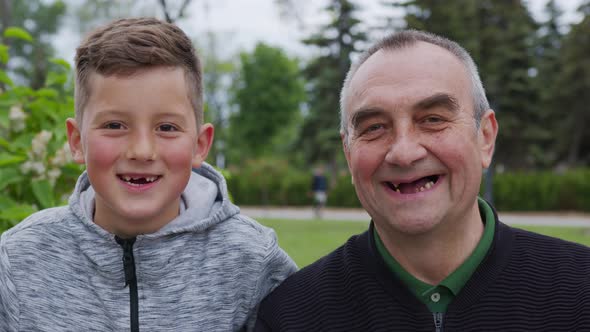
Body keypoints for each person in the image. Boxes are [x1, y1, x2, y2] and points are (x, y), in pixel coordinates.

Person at [254, 30, 590, 331]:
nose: (403, 152)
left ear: (485, 138)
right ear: (348, 152)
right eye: (374, 127)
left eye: (432, 119)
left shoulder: (580, 292)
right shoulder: (293, 315)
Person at [0, 18, 296, 332]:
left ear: (199, 145)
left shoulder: (254, 263)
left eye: (166, 128)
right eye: (114, 126)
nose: (141, 151)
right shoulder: (17, 261)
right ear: (77, 142)